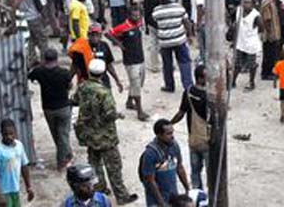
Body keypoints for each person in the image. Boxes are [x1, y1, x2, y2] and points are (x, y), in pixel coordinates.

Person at [74, 59, 139, 204]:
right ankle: (121, 196)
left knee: (95, 164)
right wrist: (118, 115)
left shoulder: (82, 86)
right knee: (114, 167)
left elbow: (75, 100)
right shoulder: (104, 92)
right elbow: (109, 114)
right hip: (105, 136)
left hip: (90, 135)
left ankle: (99, 189)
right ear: (102, 74)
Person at [28, 47, 74, 169]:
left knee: (56, 134)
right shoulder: (64, 73)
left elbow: (29, 75)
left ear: (44, 59)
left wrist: (34, 64)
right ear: (56, 59)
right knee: (63, 134)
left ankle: (67, 155)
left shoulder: (39, 71)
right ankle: (62, 161)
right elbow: (70, 86)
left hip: (48, 108)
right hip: (63, 107)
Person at [108, 7, 150, 121]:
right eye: (134, 16)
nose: (136, 18)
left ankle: (129, 101)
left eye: (138, 15)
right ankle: (139, 111)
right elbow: (109, 33)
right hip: (130, 61)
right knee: (136, 84)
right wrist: (118, 44)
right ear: (129, 16)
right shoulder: (123, 27)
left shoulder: (139, 23)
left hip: (140, 59)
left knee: (138, 83)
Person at [170, 65, 208, 190]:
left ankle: (197, 195)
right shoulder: (210, 95)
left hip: (194, 140)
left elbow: (180, 113)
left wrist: (170, 123)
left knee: (195, 171)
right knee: (211, 172)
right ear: (201, 78)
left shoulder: (188, 92)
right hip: (208, 141)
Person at [140, 120, 190, 207]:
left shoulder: (174, 146)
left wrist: (187, 188)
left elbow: (179, 167)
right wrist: (161, 202)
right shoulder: (150, 153)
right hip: (156, 198)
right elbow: (150, 181)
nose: (172, 136)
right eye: (168, 134)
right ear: (159, 135)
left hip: (172, 194)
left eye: (172, 132)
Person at [153, 0, 193, 93]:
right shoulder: (179, 8)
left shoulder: (156, 11)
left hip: (165, 42)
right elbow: (187, 22)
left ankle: (169, 86)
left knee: (167, 64)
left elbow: (155, 22)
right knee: (184, 62)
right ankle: (188, 85)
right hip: (179, 40)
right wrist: (189, 35)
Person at [0, 118, 34, 207]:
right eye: (5, 134)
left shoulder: (19, 145)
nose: (9, 137)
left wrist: (29, 187)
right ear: (1, 133)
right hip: (2, 193)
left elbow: (24, 166)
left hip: (14, 190)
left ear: (15, 132)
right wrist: (0, 195)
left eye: (11, 133)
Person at [232, 0, 263, 91]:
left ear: (252, 4)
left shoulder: (256, 15)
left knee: (251, 64)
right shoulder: (238, 10)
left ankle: (251, 82)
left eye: (248, 2)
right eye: (244, 2)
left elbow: (261, 28)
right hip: (240, 42)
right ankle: (233, 81)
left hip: (251, 43)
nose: (246, 4)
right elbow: (233, 20)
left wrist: (253, 32)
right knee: (237, 63)